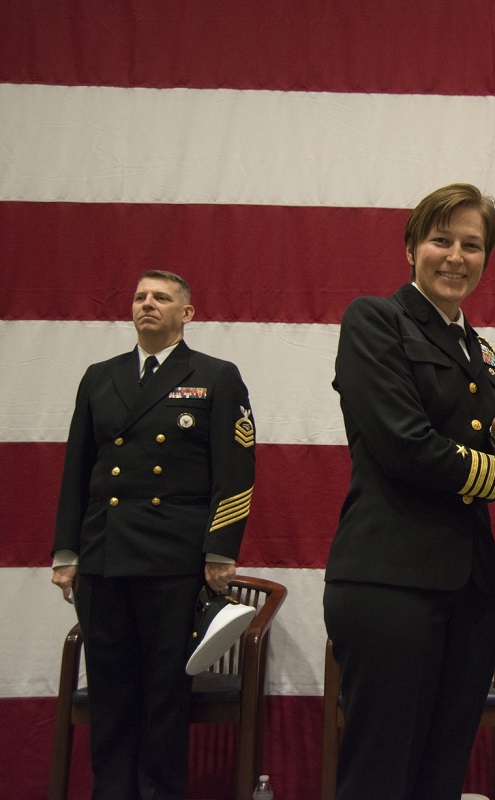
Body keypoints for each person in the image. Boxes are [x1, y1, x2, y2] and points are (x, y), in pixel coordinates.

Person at [323, 182, 495, 799]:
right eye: (441, 240)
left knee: (441, 772)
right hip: (390, 582)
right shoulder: (374, 320)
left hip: (469, 587)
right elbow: (407, 448)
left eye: (472, 245)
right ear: (411, 246)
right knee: (381, 773)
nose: (456, 257)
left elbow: (467, 447)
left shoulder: (479, 353)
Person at [51, 269, 256, 800]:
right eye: (141, 296)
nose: (147, 304)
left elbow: (234, 471)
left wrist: (220, 551)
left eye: (161, 298)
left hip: (173, 559)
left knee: (165, 698)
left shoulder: (214, 375)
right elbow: (78, 468)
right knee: (111, 697)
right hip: (104, 556)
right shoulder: (100, 376)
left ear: (186, 314)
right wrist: (67, 551)